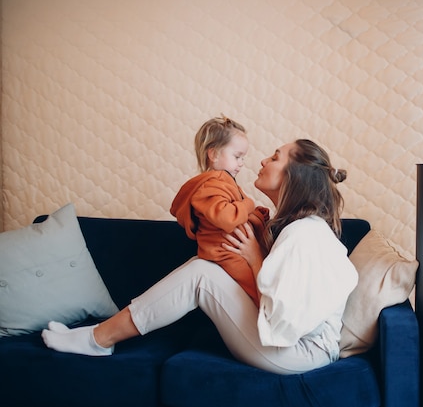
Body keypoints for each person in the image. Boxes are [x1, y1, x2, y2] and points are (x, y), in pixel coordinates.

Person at [42, 138, 359, 375]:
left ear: (296, 175)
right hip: (297, 346)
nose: (263, 160)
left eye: (275, 157)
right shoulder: (294, 227)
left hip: (301, 353)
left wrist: (253, 259)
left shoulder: (303, 234)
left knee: (202, 275)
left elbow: (287, 318)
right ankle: (100, 337)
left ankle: (98, 339)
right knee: (204, 267)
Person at [169, 115, 269, 307]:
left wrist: (256, 216)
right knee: (259, 290)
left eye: (243, 158)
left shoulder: (223, 182)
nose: (241, 163)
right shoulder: (210, 185)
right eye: (237, 156)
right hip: (225, 253)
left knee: (262, 280)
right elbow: (227, 218)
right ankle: (266, 316)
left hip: (233, 250)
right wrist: (249, 205)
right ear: (213, 154)